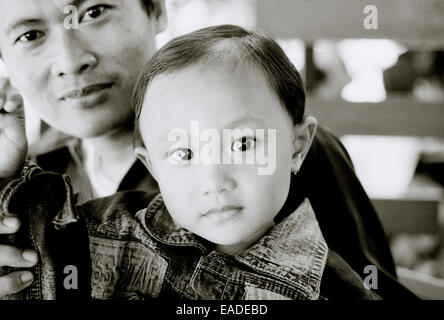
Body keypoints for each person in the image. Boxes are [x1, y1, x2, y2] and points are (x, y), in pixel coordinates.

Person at [0, 0, 405, 298]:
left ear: (157, 9)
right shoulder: (31, 187)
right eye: (30, 35)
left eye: (94, 12)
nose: (71, 61)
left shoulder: (293, 160)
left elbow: (371, 285)